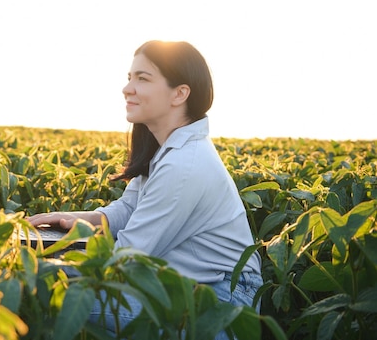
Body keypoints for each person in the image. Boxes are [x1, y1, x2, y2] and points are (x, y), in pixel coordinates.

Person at [28, 40, 262, 338]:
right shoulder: (168, 148)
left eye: (142, 78)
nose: (127, 89)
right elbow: (128, 208)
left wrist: (48, 265)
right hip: (192, 286)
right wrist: (78, 218)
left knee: (42, 289)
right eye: (129, 78)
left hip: (222, 302)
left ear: (180, 94)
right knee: (47, 279)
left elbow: (128, 257)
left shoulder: (184, 164)